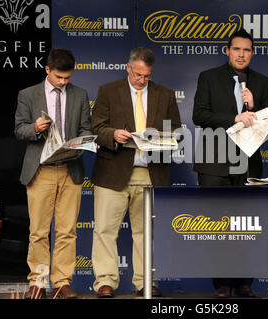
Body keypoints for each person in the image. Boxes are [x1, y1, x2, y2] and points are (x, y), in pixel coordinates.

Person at [90, 47, 181, 298]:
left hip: (149, 172)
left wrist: (160, 139)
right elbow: (96, 127)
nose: (142, 80)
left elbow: (176, 131)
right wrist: (113, 135)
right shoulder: (108, 91)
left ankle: (145, 281)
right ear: (127, 68)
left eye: (147, 76)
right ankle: (105, 281)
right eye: (138, 75)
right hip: (113, 170)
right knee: (105, 229)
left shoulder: (166, 94)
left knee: (145, 232)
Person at [192, 29, 268, 298]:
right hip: (213, 161)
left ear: (252, 53)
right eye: (236, 49)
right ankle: (222, 283)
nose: (241, 54)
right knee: (218, 225)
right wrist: (235, 117)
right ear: (227, 50)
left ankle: (244, 282)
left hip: (249, 162)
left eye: (247, 50)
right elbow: (199, 116)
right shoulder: (208, 77)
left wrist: (255, 107)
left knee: (247, 225)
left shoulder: (263, 82)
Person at [14, 48, 92, 299]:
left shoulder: (80, 95)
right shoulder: (27, 94)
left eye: (67, 78)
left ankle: (61, 283)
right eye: (59, 77)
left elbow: (85, 129)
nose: (63, 82)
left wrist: (79, 143)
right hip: (41, 170)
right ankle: (37, 282)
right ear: (47, 70)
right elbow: (19, 130)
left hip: (70, 168)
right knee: (38, 230)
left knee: (67, 230)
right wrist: (35, 128)